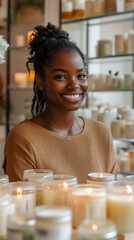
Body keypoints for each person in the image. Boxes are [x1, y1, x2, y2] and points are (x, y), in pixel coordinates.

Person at [3, 23, 119, 183]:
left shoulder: (102, 133)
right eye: (61, 77)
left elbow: (115, 195)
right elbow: (23, 203)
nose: (74, 85)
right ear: (41, 81)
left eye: (81, 76)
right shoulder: (23, 138)